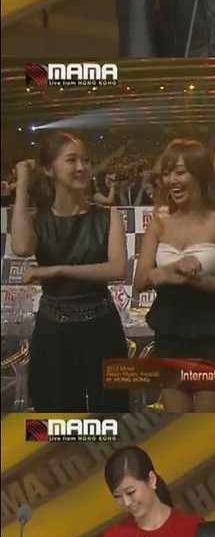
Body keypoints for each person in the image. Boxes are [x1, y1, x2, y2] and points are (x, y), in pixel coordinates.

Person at [10, 136, 129, 413]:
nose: (82, 167)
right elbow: (21, 247)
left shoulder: (108, 216)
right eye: (71, 160)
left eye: (85, 160)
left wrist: (57, 270)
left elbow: (117, 269)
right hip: (53, 333)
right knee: (53, 420)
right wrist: (22, 184)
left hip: (102, 328)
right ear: (49, 169)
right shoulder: (39, 219)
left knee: (111, 417)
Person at [133, 139, 215, 412]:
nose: (172, 181)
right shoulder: (159, 223)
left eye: (180, 172)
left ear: (200, 174)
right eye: (167, 173)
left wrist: (196, 280)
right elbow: (140, 281)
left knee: (206, 426)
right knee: (177, 423)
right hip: (170, 331)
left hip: (212, 330)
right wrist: (171, 271)